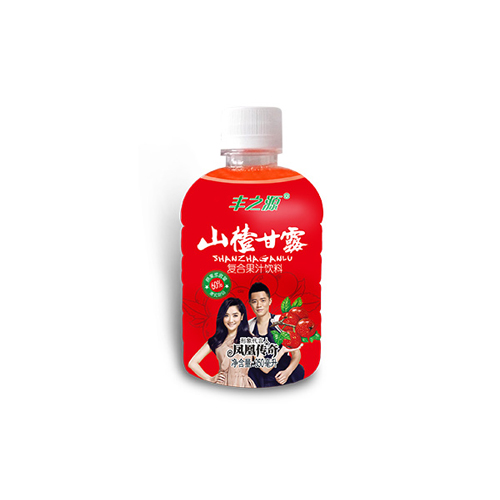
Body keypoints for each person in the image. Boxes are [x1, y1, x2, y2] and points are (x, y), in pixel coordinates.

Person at [188, 297, 256, 388]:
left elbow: (264, 366)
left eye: (235, 315)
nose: (230, 320)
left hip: (244, 385)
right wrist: (209, 379)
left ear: (242, 317)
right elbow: (192, 363)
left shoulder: (250, 339)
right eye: (226, 315)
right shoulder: (217, 340)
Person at [247, 282, 305, 387]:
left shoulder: (282, 321)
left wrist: (287, 372)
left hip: (283, 372)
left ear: (270, 301)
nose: (259, 305)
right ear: (250, 303)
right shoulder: (248, 327)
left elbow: (296, 354)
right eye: (254, 301)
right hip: (260, 374)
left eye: (263, 300)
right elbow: (263, 367)